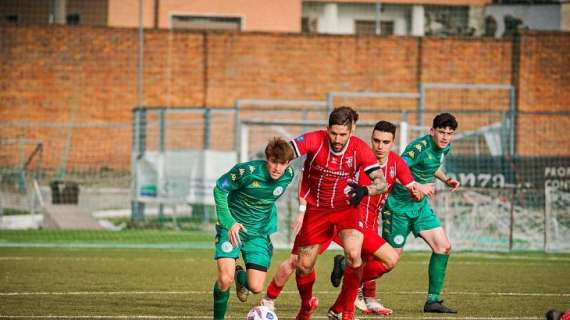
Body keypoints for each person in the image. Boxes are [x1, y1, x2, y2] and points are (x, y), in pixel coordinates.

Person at [289, 106, 390, 320]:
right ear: (327, 129)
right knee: (303, 266)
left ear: (351, 131)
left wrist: (365, 190)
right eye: (333, 133)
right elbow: (286, 152)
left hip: (346, 209)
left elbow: (381, 183)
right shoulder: (314, 139)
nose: (337, 139)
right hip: (316, 209)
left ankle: (348, 312)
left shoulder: (360, 149)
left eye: (343, 134)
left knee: (354, 254)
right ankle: (307, 305)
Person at [328, 120, 433, 317]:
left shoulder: (396, 162)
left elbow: (411, 185)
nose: (380, 146)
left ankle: (350, 301)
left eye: (385, 142)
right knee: (385, 259)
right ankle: (345, 304)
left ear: (393, 143)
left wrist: (417, 191)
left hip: (372, 219)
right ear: (371, 140)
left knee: (369, 263)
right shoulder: (360, 158)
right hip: (352, 219)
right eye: (376, 141)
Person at [381, 112, 460, 313]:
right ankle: (347, 264)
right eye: (441, 132)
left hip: (420, 207)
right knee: (389, 259)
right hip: (398, 206)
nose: (445, 137)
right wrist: (418, 186)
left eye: (449, 133)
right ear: (432, 131)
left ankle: (432, 301)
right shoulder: (418, 149)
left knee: (443, 247)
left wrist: (445, 179)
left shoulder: (445, 147)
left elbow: (431, 167)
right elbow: (394, 171)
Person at [212, 137, 295, 320]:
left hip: (258, 233)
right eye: (274, 161)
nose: (277, 168)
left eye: (282, 163)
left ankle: (240, 275)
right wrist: (229, 222)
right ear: (267, 159)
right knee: (225, 280)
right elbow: (219, 189)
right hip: (231, 229)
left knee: (256, 288)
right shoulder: (245, 172)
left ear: (288, 163)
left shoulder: (289, 175)